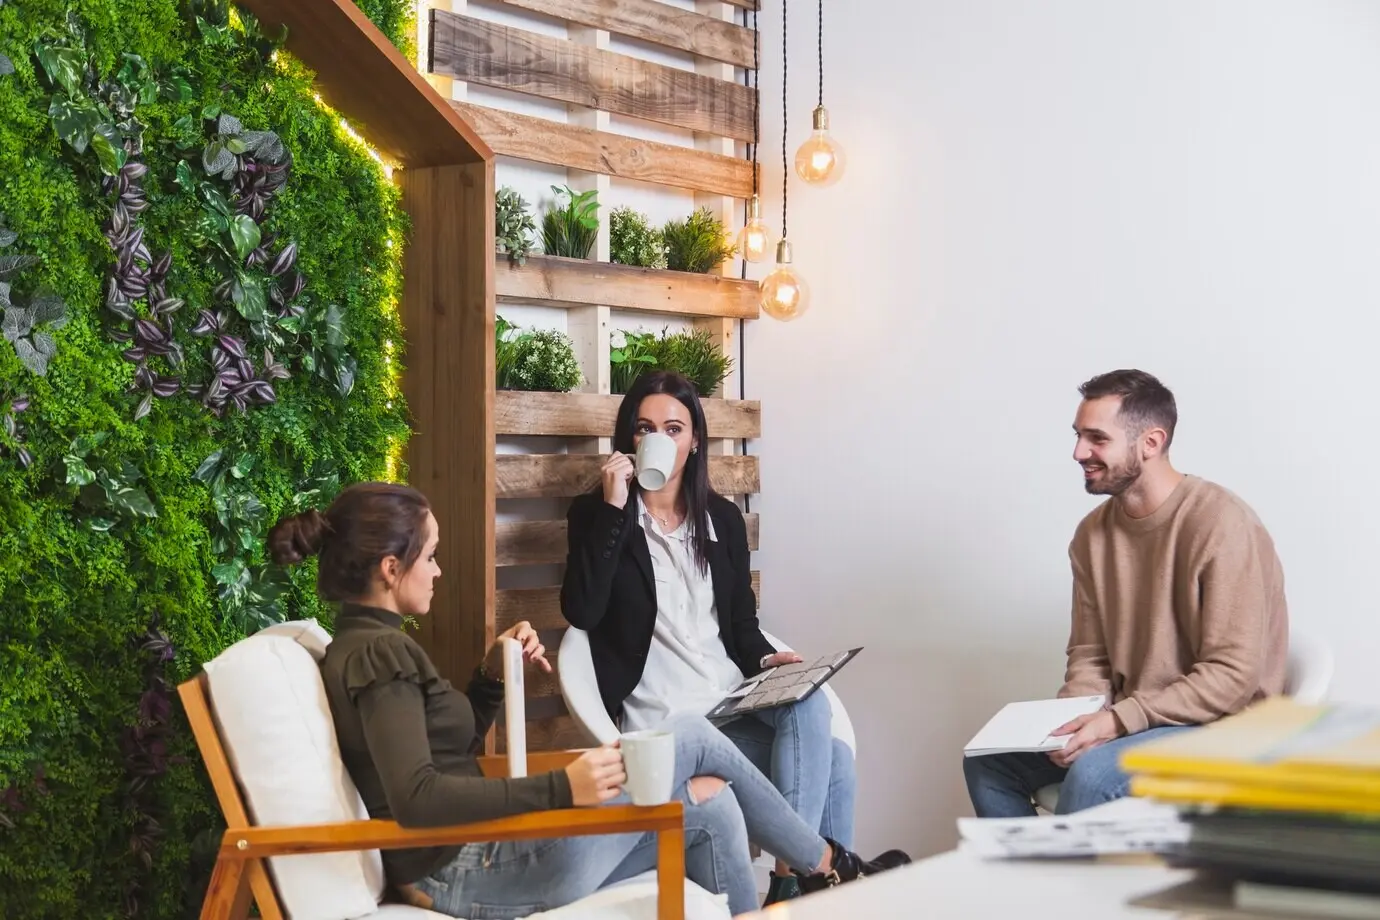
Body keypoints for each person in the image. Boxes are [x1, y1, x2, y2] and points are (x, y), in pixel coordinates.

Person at [268, 482, 901, 918]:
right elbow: (418, 797)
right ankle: (826, 865)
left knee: (713, 812)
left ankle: (819, 871)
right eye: (430, 557)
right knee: (691, 736)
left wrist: (491, 678)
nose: (437, 570)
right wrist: (562, 788)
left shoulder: (372, 648)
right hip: (471, 870)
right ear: (388, 567)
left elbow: (442, 758)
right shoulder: (377, 656)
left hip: (488, 854)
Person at [561, 371, 907, 903]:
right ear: (630, 440)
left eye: (673, 428)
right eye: (645, 428)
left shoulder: (721, 517)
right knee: (834, 759)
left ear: (694, 440)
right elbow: (581, 611)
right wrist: (615, 506)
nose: (660, 439)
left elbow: (743, 627)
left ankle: (794, 880)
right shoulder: (597, 514)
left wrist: (770, 662)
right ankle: (818, 888)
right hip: (667, 723)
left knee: (813, 713)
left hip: (729, 707)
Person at [964, 369, 1290, 818]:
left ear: (1150, 443)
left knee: (1093, 777)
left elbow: (1232, 677)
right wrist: (1075, 722)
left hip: (1224, 727)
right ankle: (1030, 885)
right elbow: (1090, 653)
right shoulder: (1092, 535)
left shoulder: (1222, 524)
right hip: (1135, 719)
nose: (1079, 452)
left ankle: (1072, 887)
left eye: (1097, 439)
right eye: (1079, 436)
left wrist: (1118, 721)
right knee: (989, 764)